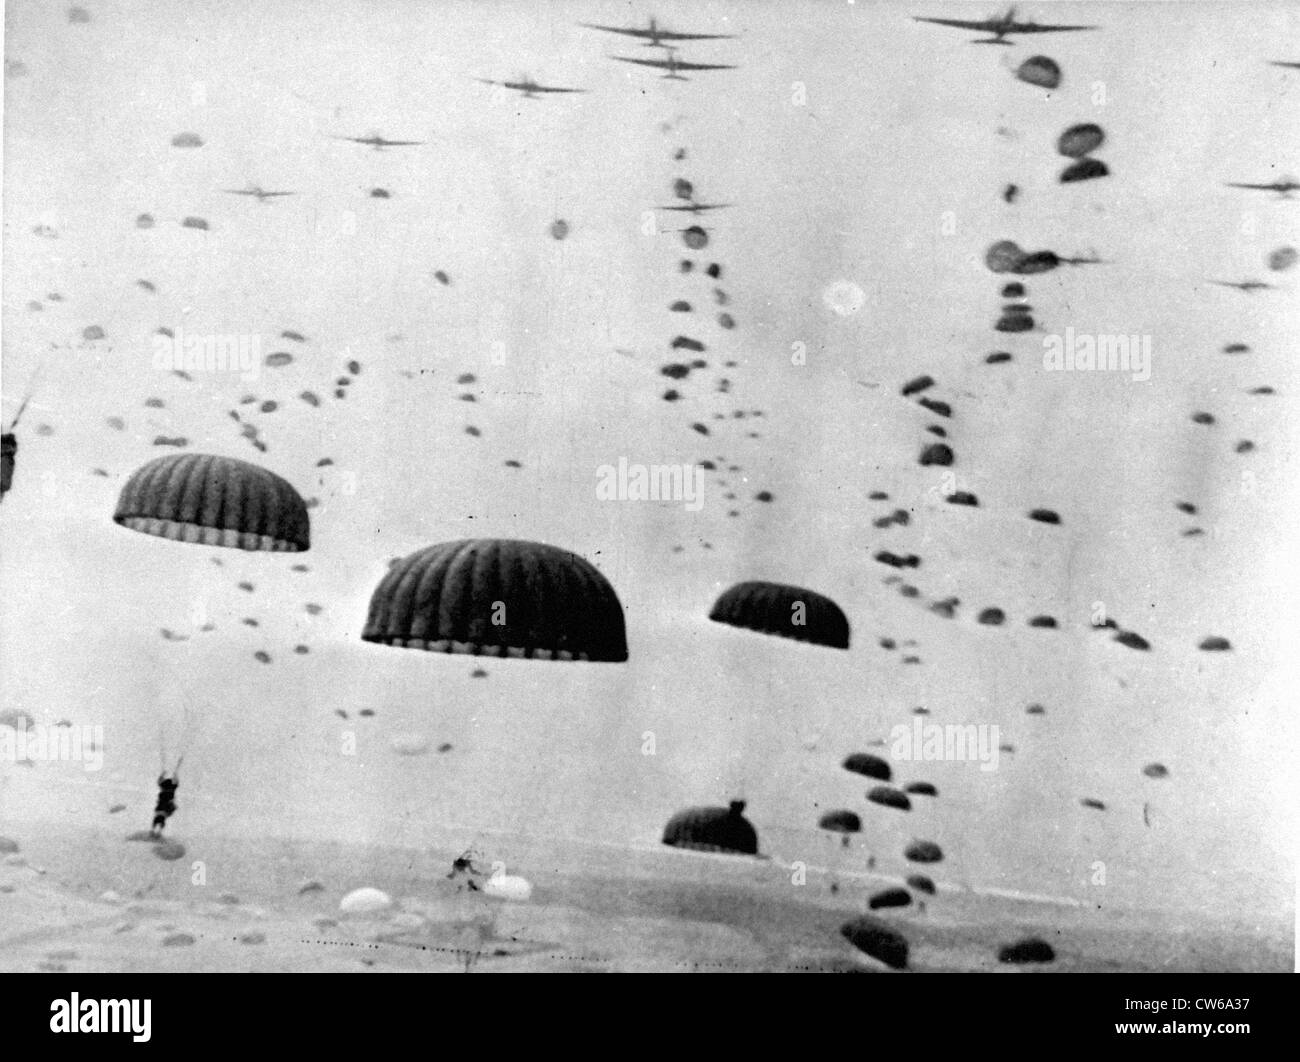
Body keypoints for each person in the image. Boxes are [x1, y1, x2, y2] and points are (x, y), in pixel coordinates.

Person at [150, 771, 179, 838]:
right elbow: (176, 782)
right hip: (166, 805)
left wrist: (162, 775)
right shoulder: (172, 787)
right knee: (161, 817)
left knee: (158, 817)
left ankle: (154, 830)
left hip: (162, 804)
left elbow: (159, 781)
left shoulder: (164, 787)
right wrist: (175, 775)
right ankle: (158, 831)